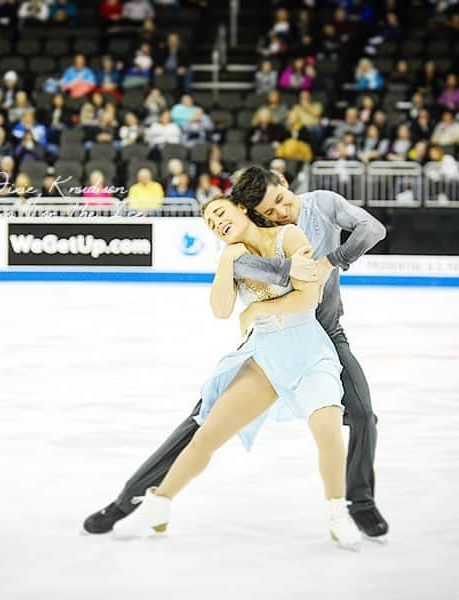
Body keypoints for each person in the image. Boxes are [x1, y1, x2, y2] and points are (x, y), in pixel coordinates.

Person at [83, 166, 389, 540]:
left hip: (324, 334)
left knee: (361, 414)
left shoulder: (321, 205)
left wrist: (329, 261)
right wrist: (240, 266)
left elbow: (371, 230)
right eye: (269, 210)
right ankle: (130, 501)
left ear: (284, 179)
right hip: (268, 342)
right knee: (201, 422)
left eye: (280, 200)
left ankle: (358, 504)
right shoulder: (249, 241)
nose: (280, 211)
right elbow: (249, 286)